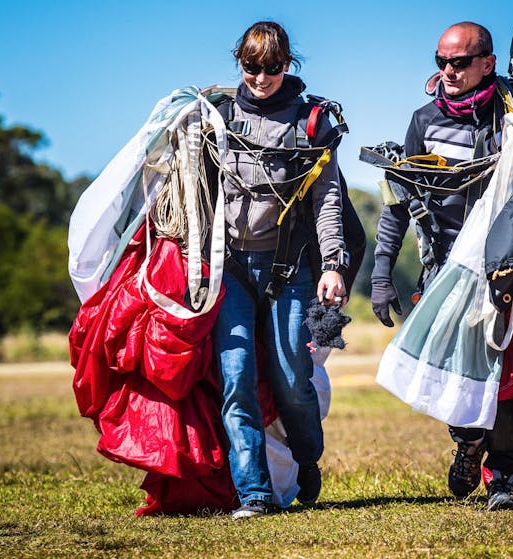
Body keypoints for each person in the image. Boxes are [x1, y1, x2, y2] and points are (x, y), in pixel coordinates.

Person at [370, 21, 513, 510]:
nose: (448, 71)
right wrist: (381, 273)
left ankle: (502, 477)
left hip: (508, 263)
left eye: (459, 62)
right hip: (445, 266)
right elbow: (401, 197)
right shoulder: (424, 120)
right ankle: (468, 441)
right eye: (441, 61)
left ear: (488, 63)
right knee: (454, 371)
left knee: (504, 371)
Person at [210, 21, 349, 520]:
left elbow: (328, 199)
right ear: (239, 62)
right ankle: (254, 493)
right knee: (236, 375)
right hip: (229, 270)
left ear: (287, 65)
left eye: (271, 68)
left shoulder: (312, 122)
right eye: (251, 66)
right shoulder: (216, 118)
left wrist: (333, 265)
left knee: (293, 376)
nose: (261, 77)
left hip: (289, 267)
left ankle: (307, 458)